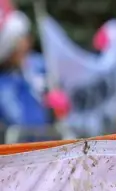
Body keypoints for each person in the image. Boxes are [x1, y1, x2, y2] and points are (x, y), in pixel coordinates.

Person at [0, 8, 68, 142]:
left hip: (49, 143)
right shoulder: (4, 81)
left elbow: (58, 88)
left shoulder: (40, 64)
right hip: (19, 149)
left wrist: (58, 98)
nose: (25, 42)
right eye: (18, 40)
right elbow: (16, 119)